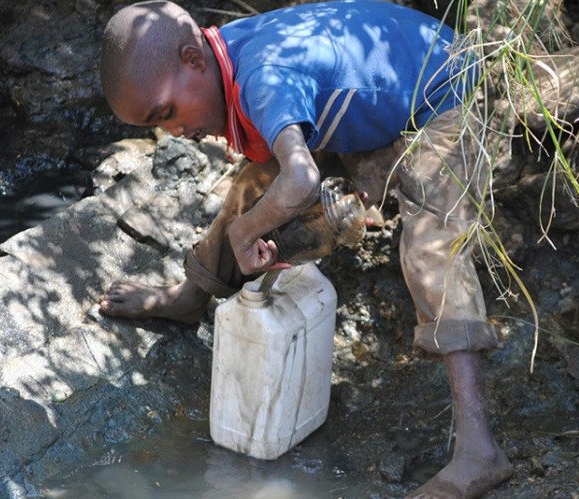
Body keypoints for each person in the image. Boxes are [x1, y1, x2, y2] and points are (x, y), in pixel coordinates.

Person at [98, 1, 513, 497]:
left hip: (445, 94)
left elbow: (301, 176)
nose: (174, 132)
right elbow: (278, 177)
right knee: (254, 186)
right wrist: (249, 223)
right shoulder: (225, 56)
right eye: (156, 126)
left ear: (193, 58)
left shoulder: (262, 76)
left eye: (167, 112)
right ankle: (190, 297)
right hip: (385, 92)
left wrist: (244, 233)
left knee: (431, 249)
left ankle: (478, 452)